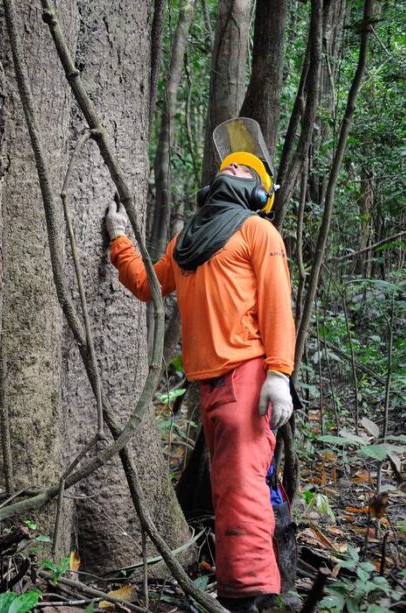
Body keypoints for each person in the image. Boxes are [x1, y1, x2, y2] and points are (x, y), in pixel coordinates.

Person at [105, 147, 296, 612]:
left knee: (242, 486)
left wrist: (279, 374)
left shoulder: (257, 230)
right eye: (227, 164)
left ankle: (251, 597)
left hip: (248, 378)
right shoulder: (188, 242)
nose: (232, 167)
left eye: (245, 169)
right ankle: (247, 589)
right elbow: (149, 283)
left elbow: (277, 305)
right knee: (229, 486)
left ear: (257, 191)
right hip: (209, 385)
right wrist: (118, 238)